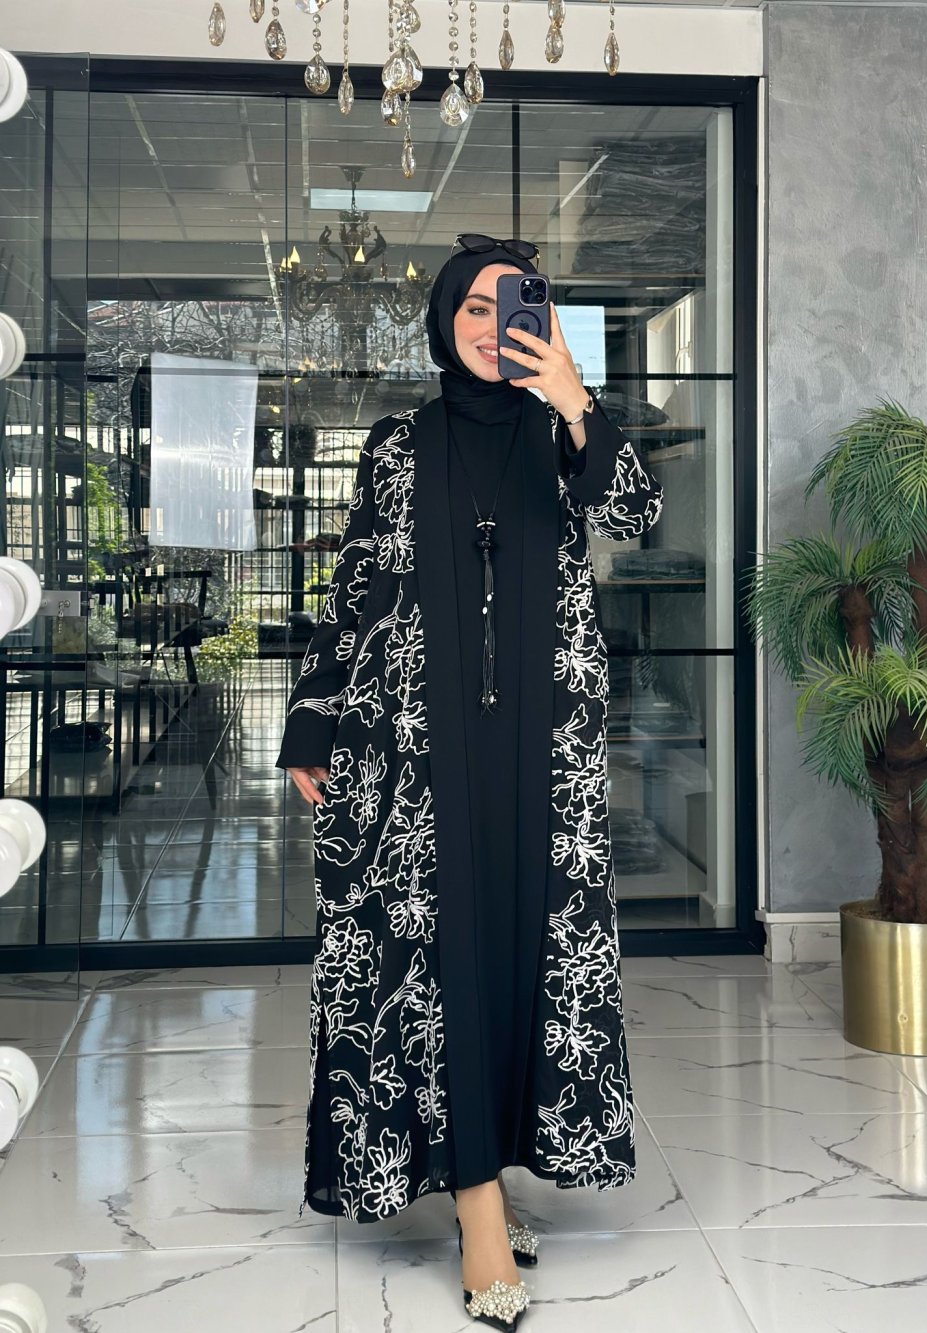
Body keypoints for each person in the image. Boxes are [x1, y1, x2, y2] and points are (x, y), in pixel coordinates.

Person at [276, 234, 664, 1330]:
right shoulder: (399, 445)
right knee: (436, 955)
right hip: (416, 747)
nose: (494, 326)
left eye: (515, 305)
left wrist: (576, 401)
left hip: (542, 750)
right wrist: (312, 718)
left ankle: (484, 1162)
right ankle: (480, 1208)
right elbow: (356, 587)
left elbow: (636, 516)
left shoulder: (561, 434)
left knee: (519, 950)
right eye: (474, 308)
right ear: (444, 323)